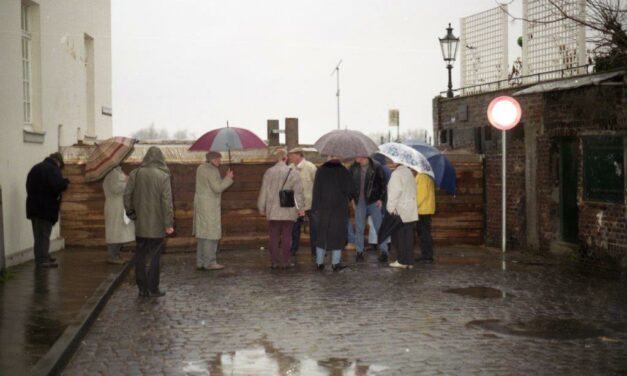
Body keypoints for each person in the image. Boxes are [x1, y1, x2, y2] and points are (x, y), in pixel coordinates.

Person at [124, 147, 174, 297]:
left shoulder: (135, 173)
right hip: (157, 225)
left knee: (139, 255)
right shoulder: (163, 176)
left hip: (140, 225)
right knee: (155, 258)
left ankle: (142, 289)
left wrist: (131, 212)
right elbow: (167, 202)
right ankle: (153, 288)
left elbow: (127, 196)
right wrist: (168, 224)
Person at [258, 149, 304, 269]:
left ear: (276, 159)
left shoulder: (268, 172)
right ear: (286, 158)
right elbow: (298, 194)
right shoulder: (293, 172)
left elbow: (264, 191)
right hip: (288, 210)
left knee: (273, 236)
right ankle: (285, 261)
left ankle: (274, 261)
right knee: (287, 236)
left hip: (273, 210)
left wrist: (261, 206)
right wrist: (300, 208)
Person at [26, 152, 69, 268]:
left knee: (38, 234)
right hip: (45, 208)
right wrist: (65, 182)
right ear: (58, 162)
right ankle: (42, 260)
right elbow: (57, 186)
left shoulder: (36, 168)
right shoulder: (52, 169)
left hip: (33, 207)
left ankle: (43, 256)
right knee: (44, 234)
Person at [311, 157, 355, 271]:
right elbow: (350, 190)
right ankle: (335, 263)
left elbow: (316, 190)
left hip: (323, 208)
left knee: (322, 235)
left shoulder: (320, 170)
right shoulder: (344, 171)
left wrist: (315, 207)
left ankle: (319, 262)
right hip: (339, 209)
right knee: (338, 235)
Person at [193, 151, 234, 271]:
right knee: (211, 234)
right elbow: (217, 188)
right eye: (219, 159)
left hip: (201, 205)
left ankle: (200, 261)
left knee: (202, 234)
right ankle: (210, 262)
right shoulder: (211, 170)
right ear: (214, 159)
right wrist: (228, 178)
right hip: (210, 206)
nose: (220, 162)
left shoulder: (200, 168)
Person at [348, 156, 388, 262]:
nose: (355, 156)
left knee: (379, 227)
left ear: (363, 155)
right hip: (359, 201)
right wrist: (352, 199)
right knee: (359, 228)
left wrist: (381, 199)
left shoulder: (377, 166)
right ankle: (359, 252)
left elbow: (383, 185)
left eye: (357, 154)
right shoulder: (353, 167)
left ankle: (384, 252)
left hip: (374, 201)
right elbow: (349, 185)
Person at [386, 161, 418, 269]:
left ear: (396, 161)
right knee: (408, 236)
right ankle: (409, 261)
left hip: (400, 210)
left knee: (399, 236)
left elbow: (394, 193)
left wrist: (390, 208)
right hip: (410, 209)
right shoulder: (409, 172)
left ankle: (402, 261)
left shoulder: (396, 174)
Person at [287, 147, 317, 257]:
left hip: (310, 204)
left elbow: (317, 184)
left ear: (299, 155)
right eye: (290, 155)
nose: (290, 157)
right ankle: (293, 249)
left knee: (314, 228)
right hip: (295, 204)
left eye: (292, 155)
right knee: (294, 228)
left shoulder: (311, 167)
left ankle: (315, 250)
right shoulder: (289, 168)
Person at [103, 166, 135, 264]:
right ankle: (112, 255)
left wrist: (126, 180)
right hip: (114, 206)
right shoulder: (111, 173)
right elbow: (115, 188)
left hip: (119, 206)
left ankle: (116, 254)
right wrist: (127, 181)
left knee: (120, 232)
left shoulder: (116, 171)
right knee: (114, 231)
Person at [416, 173, 436, 263]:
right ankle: (427, 254)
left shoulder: (422, 176)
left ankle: (427, 256)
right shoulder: (428, 176)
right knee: (425, 232)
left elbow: (421, 195)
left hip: (423, 209)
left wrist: (414, 206)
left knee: (424, 233)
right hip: (426, 208)